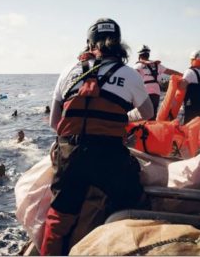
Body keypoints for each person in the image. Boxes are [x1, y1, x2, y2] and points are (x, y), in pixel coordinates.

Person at [41, 18, 154, 255]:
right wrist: (120, 117)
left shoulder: (68, 71)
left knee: (58, 218)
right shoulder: (129, 74)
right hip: (109, 155)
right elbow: (148, 114)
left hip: (70, 154)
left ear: (89, 44)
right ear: (118, 44)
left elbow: (55, 123)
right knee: (134, 205)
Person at [133, 45, 182, 120]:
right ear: (148, 54)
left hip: (145, 93)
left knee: (142, 116)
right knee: (153, 115)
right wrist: (183, 75)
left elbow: (131, 77)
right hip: (156, 93)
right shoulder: (157, 65)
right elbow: (170, 71)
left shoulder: (138, 66)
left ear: (139, 55)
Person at [178, 50, 200, 124]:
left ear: (193, 59)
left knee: (188, 126)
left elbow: (182, 86)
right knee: (196, 125)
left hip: (191, 105)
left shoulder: (189, 72)